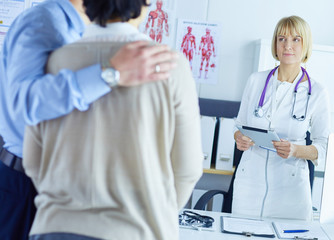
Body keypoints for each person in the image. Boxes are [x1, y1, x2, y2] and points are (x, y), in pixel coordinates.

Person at [22, 0, 203, 239]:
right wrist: (158, 213)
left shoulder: (54, 62)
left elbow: (33, 162)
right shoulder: (170, 65)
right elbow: (187, 169)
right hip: (137, 229)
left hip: (57, 226)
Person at [232, 16, 330, 221]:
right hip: (249, 186)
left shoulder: (318, 92)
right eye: (282, 38)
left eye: (296, 39)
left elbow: (324, 148)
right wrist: (239, 137)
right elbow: (239, 126)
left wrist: (296, 150)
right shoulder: (255, 81)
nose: (288, 45)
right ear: (275, 44)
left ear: (306, 45)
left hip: (290, 191)